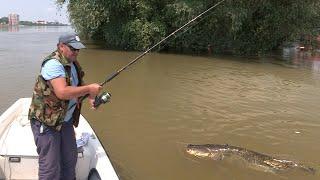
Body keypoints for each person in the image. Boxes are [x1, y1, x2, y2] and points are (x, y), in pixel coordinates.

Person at [28, 32, 101, 180]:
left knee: (70, 161)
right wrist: (89, 89)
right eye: (73, 48)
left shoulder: (73, 62)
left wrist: (89, 96)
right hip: (47, 122)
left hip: (65, 121)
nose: (76, 52)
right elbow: (62, 92)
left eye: (78, 49)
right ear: (61, 46)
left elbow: (77, 86)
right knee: (50, 167)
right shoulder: (53, 64)